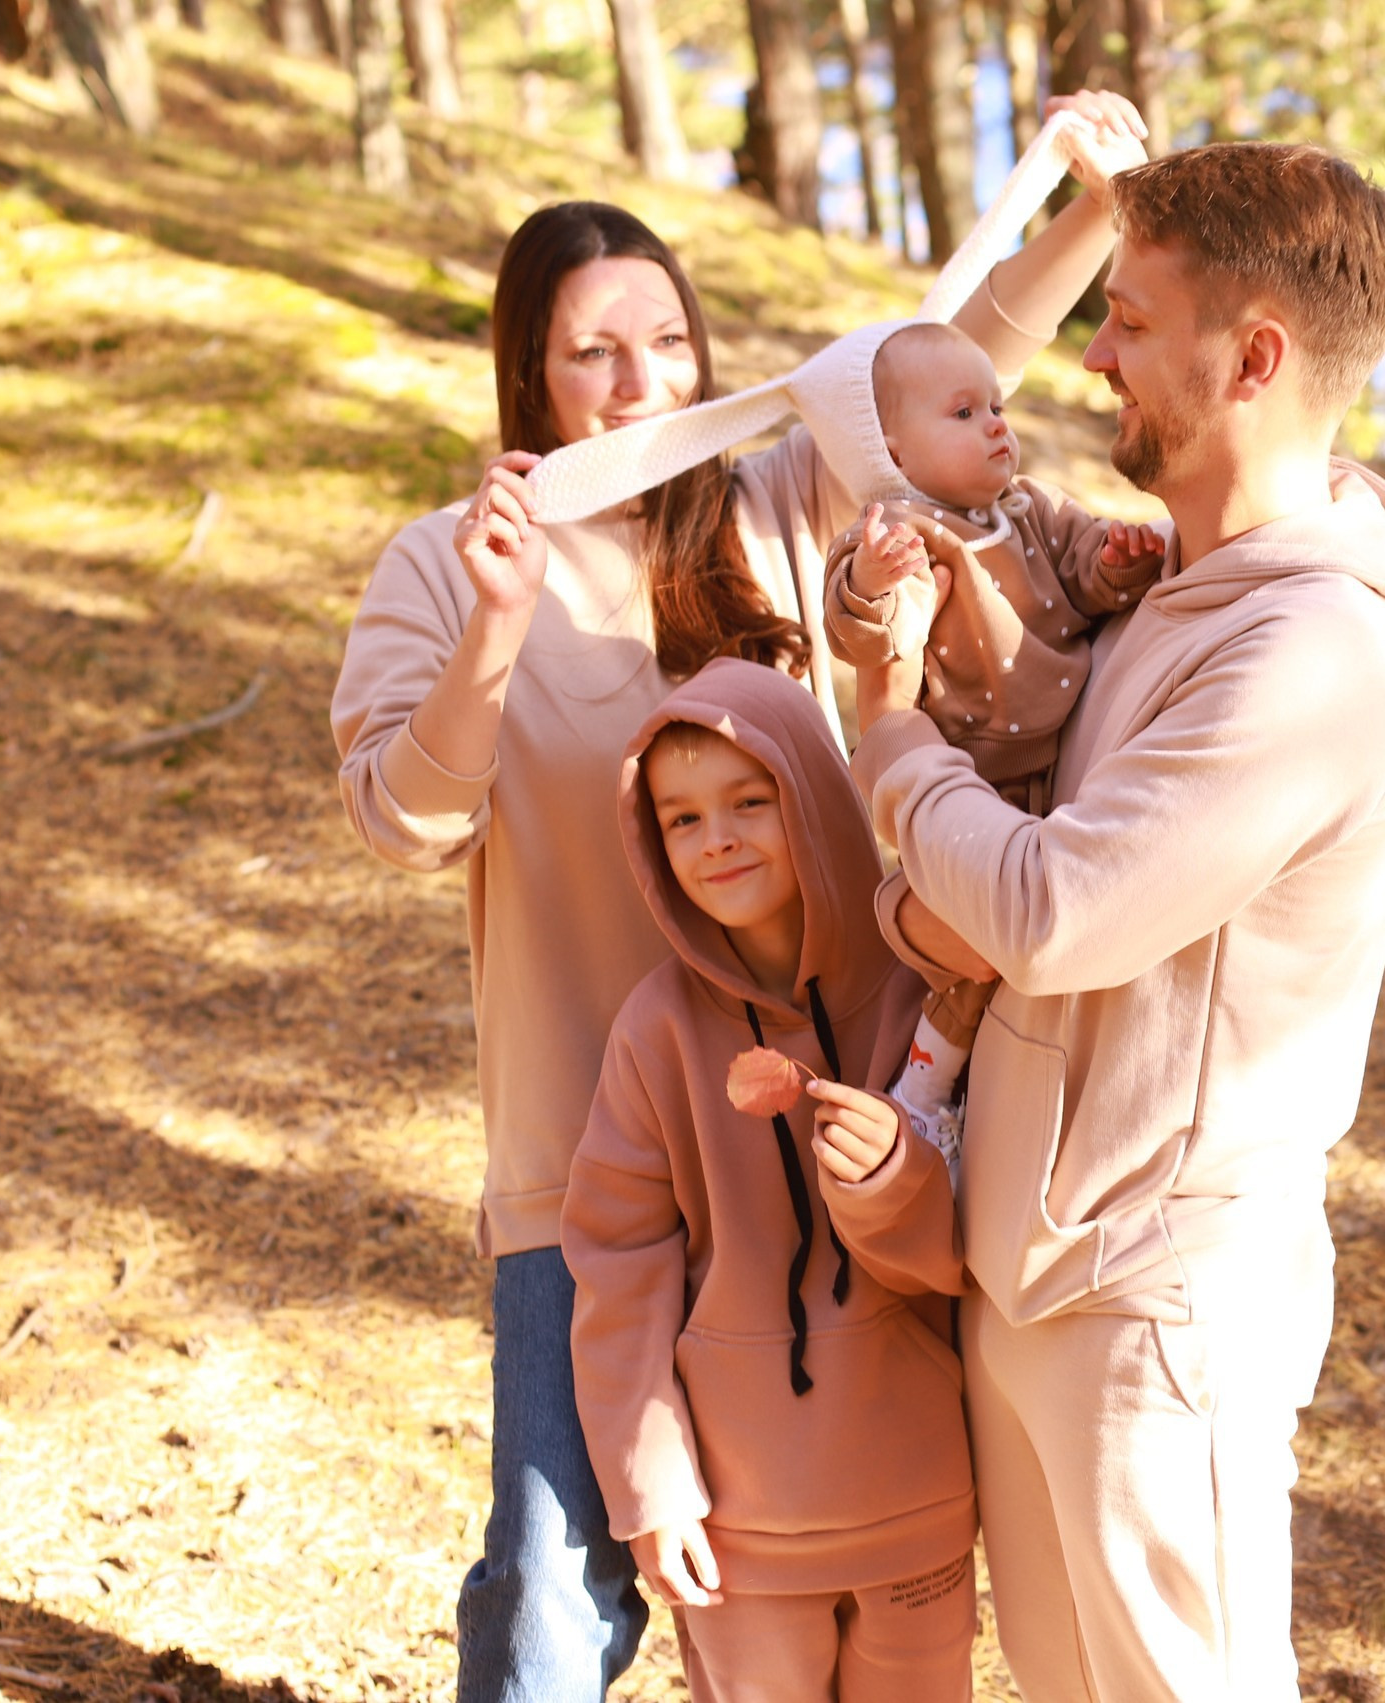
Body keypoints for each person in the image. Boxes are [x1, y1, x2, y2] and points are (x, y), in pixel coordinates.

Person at [328, 87, 1146, 1703]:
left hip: (825, 1129)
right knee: (565, 1586)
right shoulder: (444, 564)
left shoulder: (776, 499)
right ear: (531, 376)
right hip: (590, 1165)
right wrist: (493, 636)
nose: (643, 381)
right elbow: (401, 822)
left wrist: (1097, 208)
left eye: (666, 339)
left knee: (826, 1576)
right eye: (595, 352)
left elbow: (946, 354)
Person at [844, 144, 1385, 1701]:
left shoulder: (1313, 650)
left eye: (1127, 319)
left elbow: (1057, 906)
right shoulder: (1169, 588)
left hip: (1159, 1303)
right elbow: (1012, 882)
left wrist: (883, 730)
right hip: (1044, 1265)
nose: (1093, 351)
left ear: (1252, 356)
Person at [564, 658, 972, 1702]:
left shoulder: (926, 990)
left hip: (914, 1492)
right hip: (738, 1518)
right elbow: (620, 1267)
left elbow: (958, 1253)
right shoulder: (656, 1027)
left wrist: (891, 1183)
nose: (720, 839)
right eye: (683, 818)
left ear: (815, 797)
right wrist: (651, 1485)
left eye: (752, 801)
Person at [820, 321, 1167, 1163]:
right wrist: (870, 579)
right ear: (892, 450)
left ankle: (975, 1101)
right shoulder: (902, 530)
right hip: (968, 782)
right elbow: (862, 628)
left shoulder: (1030, 509)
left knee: (1033, 943)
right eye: (965, 411)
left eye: (998, 406)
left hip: (1054, 775)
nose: (997, 427)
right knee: (970, 956)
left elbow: (1084, 565)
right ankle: (926, 1089)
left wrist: (1117, 559)